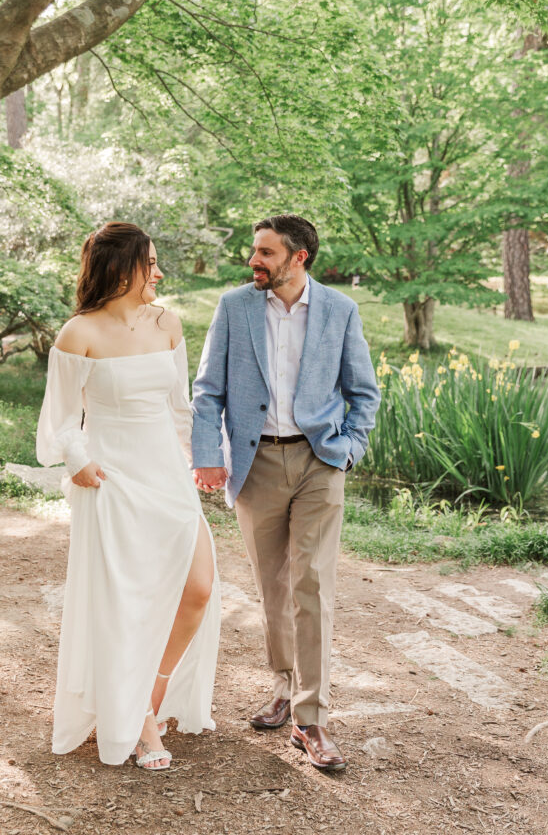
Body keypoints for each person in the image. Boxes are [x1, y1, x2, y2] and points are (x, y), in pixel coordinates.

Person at [192, 214, 380, 772]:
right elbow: (208, 391)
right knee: (272, 586)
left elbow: (363, 392)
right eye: (255, 250)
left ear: (299, 257)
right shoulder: (234, 307)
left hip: (320, 460)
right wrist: (208, 455)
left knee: (312, 583)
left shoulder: (340, 311)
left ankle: (311, 717)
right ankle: (285, 685)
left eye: (267, 252)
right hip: (255, 464)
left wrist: (349, 448)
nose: (256, 259)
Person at [36, 222, 219, 770]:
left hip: (165, 474)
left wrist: (198, 462)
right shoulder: (79, 333)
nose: (160, 273)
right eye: (151, 264)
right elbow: (62, 421)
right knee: (127, 603)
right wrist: (80, 462)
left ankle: (153, 695)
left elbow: (180, 406)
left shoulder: (168, 323)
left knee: (198, 588)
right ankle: (138, 721)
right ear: (120, 270)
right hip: (111, 480)